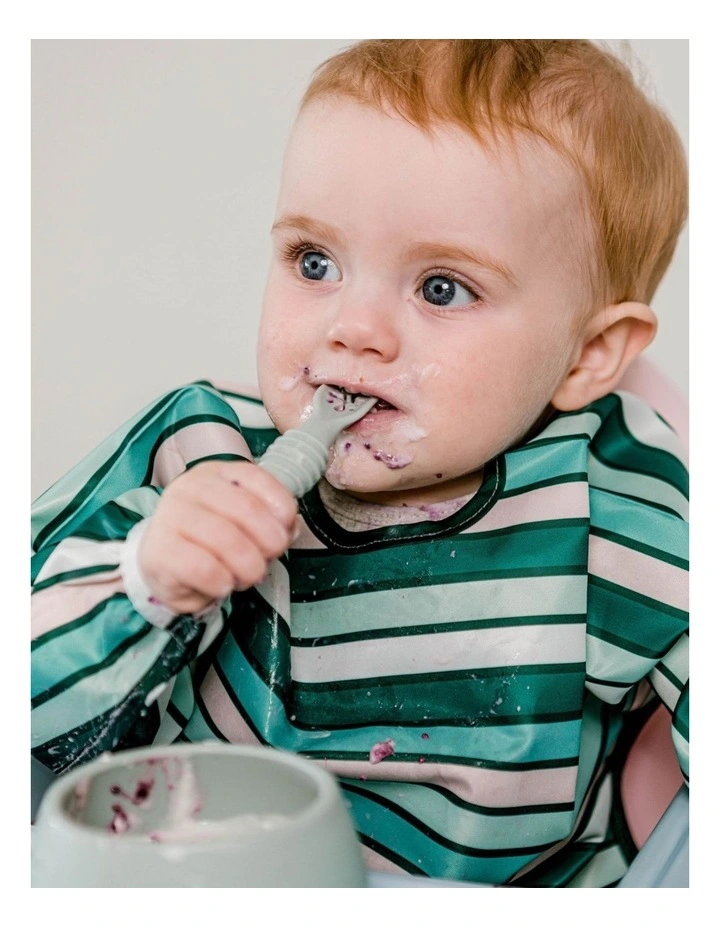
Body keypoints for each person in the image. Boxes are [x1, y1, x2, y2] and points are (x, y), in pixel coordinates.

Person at [31, 39, 688, 887]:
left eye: (441, 287)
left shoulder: (613, 505)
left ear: (587, 356)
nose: (354, 327)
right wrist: (144, 577)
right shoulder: (196, 450)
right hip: (196, 873)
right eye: (315, 263)